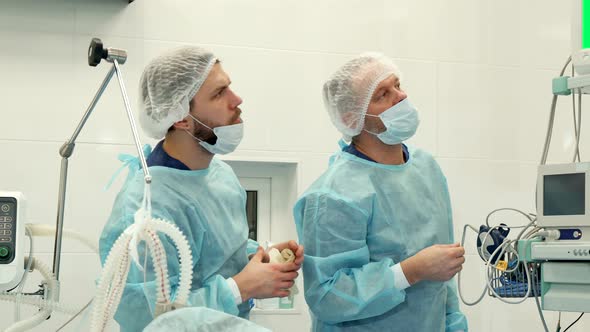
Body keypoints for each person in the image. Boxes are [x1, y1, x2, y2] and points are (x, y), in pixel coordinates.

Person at [99, 45, 304, 332]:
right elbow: (146, 317)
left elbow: (217, 253)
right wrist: (239, 289)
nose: (237, 100)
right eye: (219, 93)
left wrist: (257, 258)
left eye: (229, 88)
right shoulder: (144, 208)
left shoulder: (219, 174)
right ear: (181, 118)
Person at [293, 53, 468, 331]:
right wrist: (411, 271)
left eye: (397, 85)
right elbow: (327, 296)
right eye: (383, 94)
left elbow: (441, 276)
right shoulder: (333, 195)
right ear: (353, 118)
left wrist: (454, 325)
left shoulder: (426, 168)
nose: (400, 96)